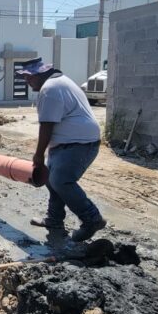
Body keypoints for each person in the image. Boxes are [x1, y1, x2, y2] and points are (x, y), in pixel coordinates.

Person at [18, 57, 106, 242]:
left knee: (61, 181)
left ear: (41, 73)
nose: (27, 82)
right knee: (52, 180)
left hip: (79, 144)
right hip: (70, 142)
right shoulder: (58, 83)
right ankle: (54, 219)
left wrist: (38, 154)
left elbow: (47, 126)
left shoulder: (50, 89)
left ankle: (92, 218)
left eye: (29, 77)